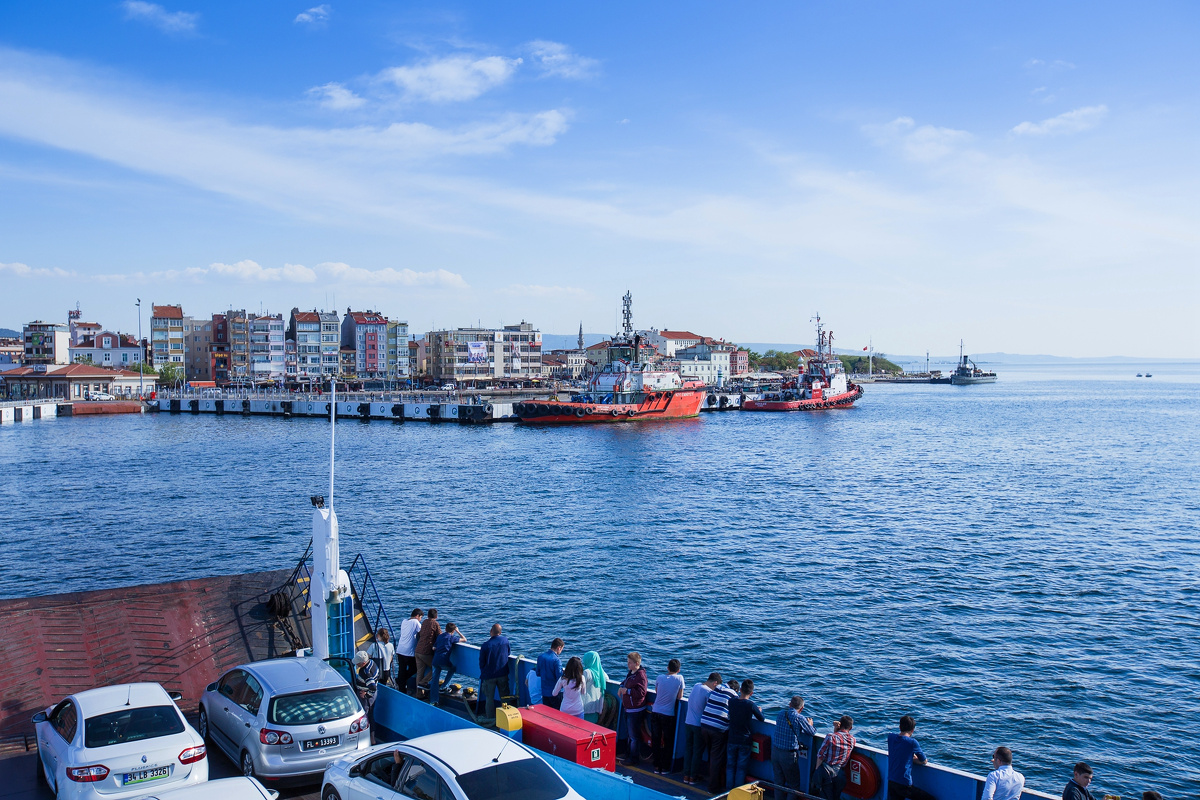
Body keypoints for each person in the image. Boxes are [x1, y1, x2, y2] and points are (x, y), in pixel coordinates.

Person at [700, 678, 740, 794]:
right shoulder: (733, 695)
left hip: (704, 724)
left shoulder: (717, 688)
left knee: (711, 755)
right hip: (718, 728)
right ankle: (713, 788)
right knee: (716, 758)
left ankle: (710, 779)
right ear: (736, 689)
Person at [771, 696, 814, 800]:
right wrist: (810, 724)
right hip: (788, 755)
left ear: (790, 704)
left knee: (778, 783)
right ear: (802, 708)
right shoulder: (799, 718)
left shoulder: (781, 713)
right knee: (793, 786)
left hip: (775, 752)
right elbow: (811, 732)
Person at [726, 679, 765, 789]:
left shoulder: (732, 701)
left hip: (732, 738)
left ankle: (728, 791)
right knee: (741, 768)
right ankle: (737, 792)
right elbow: (761, 719)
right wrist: (760, 710)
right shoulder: (751, 705)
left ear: (741, 690)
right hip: (745, 740)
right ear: (751, 693)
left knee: (730, 766)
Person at [683, 673, 721, 786]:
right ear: (715, 683)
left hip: (687, 722)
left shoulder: (696, 685)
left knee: (688, 749)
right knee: (697, 751)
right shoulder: (708, 692)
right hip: (698, 725)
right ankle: (692, 777)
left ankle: (686, 775)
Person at [650, 659, 685, 775]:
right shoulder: (680, 678)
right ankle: (665, 767)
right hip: (668, 714)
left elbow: (657, 691)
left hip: (656, 711)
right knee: (668, 741)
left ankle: (656, 765)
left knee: (656, 739)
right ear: (678, 670)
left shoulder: (659, 677)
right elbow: (680, 697)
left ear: (667, 668)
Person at [887, 715, 935, 800]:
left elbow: (899, 752)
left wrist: (909, 756)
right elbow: (924, 760)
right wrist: (913, 758)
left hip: (891, 781)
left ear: (899, 727)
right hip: (904, 784)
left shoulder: (890, 737)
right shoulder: (912, 742)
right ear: (912, 730)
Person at [617, 652, 649, 766]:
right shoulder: (631, 673)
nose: (628, 665)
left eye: (630, 663)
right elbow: (625, 682)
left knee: (634, 736)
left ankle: (633, 758)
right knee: (630, 734)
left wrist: (628, 691)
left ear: (636, 663)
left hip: (635, 710)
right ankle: (628, 754)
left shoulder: (640, 676)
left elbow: (641, 693)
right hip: (628, 709)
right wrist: (622, 687)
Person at [814, 716, 857, 800]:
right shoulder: (852, 740)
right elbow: (841, 738)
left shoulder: (830, 737)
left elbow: (820, 755)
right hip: (840, 774)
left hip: (827, 773)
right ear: (851, 728)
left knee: (825, 795)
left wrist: (817, 770)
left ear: (839, 724)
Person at [478, 623, 511, 721]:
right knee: (504, 697)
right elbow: (508, 653)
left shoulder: (485, 645)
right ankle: (506, 717)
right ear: (500, 632)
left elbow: (481, 662)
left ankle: (490, 718)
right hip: (503, 673)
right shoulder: (505, 641)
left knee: (489, 698)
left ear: (491, 632)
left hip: (489, 675)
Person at [430, 622, 465, 706]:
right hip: (444, 660)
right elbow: (464, 639)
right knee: (452, 669)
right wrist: (458, 632)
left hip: (435, 660)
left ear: (445, 629)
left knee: (434, 680)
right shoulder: (451, 638)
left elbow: (434, 647)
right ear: (453, 631)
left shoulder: (440, 636)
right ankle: (443, 687)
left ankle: (433, 700)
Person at [352, 650, 379, 740]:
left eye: (358, 663)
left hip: (367, 697)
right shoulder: (372, 662)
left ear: (363, 663)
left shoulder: (365, 672)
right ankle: (372, 737)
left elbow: (372, 687)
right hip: (372, 694)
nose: (357, 665)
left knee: (366, 716)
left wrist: (366, 695)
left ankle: (369, 738)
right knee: (370, 714)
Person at [414, 608, 441, 692]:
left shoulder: (424, 622)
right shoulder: (435, 624)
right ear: (436, 616)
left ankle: (419, 694)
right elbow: (440, 636)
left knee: (420, 672)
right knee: (436, 667)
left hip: (418, 650)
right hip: (426, 652)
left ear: (428, 615)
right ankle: (423, 682)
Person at [396, 608, 422, 693]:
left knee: (401, 669)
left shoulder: (404, 621)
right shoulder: (415, 622)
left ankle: (401, 687)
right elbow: (422, 632)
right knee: (414, 668)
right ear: (417, 616)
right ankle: (401, 681)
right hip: (409, 651)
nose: (420, 620)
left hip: (400, 649)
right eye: (420, 617)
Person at [537, 638, 566, 710]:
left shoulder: (541, 657)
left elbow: (538, 673)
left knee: (547, 713)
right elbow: (559, 678)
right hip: (555, 693)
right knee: (557, 715)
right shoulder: (556, 660)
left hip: (544, 692)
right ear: (559, 648)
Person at [581, 651, 609, 723]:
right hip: (596, 705)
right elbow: (607, 679)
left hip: (585, 705)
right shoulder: (601, 672)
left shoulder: (586, 672)